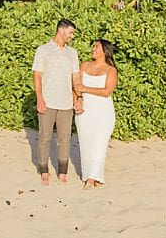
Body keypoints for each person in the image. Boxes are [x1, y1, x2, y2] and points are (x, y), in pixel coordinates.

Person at [32, 19, 82, 185]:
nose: (72, 36)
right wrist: (40, 98)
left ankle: (62, 172)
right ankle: (44, 170)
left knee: (65, 139)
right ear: (61, 31)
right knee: (44, 138)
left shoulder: (72, 53)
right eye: (71, 32)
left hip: (66, 104)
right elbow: (37, 75)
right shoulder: (43, 50)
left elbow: (75, 77)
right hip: (48, 101)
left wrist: (77, 98)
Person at [75, 39, 118, 189]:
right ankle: (92, 175)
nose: (93, 49)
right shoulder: (85, 65)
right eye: (93, 46)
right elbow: (75, 87)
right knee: (86, 144)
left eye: (96, 47)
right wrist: (78, 100)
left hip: (103, 113)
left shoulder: (110, 70)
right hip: (84, 112)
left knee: (100, 143)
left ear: (105, 51)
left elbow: (107, 92)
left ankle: (92, 178)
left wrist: (85, 89)